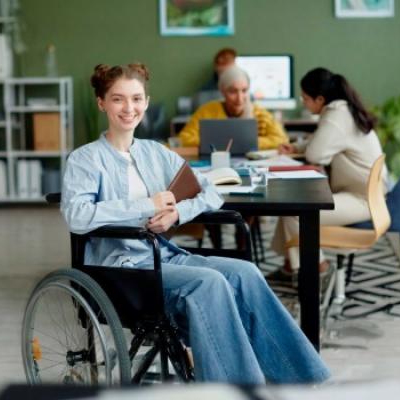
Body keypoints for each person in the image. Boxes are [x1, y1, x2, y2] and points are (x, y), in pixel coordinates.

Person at [61, 62, 329, 384]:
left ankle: (306, 379)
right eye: (118, 99)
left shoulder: (155, 153)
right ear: (102, 103)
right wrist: (146, 205)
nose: (128, 108)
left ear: (146, 102)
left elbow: (211, 188)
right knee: (209, 283)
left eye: (136, 98)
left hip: (163, 256)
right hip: (120, 268)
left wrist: (178, 214)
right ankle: (238, 390)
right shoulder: (86, 159)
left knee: (245, 272)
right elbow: (76, 215)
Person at [271, 67, 387, 275]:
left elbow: (316, 155)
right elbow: (324, 141)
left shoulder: (336, 116)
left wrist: (302, 148)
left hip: (363, 199)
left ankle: (319, 269)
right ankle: (290, 267)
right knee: (289, 207)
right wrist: (297, 147)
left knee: (295, 211)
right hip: (365, 193)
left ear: (320, 99)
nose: (303, 102)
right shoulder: (342, 110)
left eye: (305, 98)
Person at [178, 65, 289, 150]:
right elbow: (183, 139)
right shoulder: (207, 111)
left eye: (244, 90)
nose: (240, 98)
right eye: (233, 91)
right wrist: (223, 142)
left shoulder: (259, 113)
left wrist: (248, 142)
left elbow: (282, 139)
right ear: (222, 91)